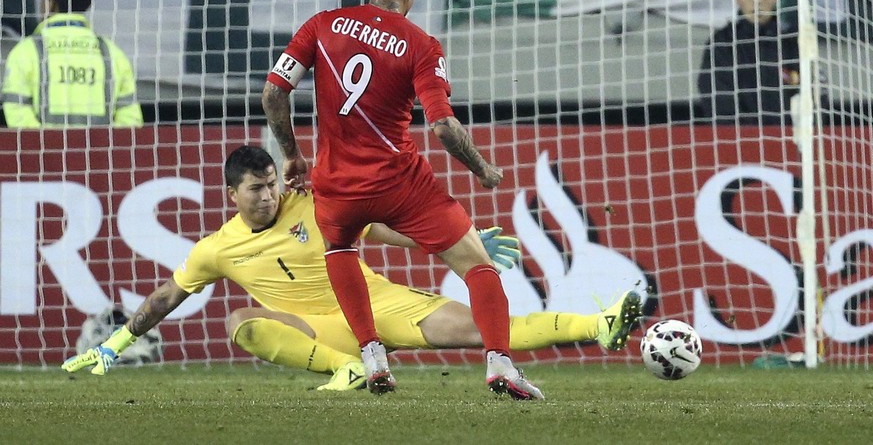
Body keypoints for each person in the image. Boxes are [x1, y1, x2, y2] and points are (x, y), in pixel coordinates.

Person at [61, 145, 643, 392]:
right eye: (255, 190)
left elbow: (377, 224)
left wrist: (449, 239)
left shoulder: (311, 200)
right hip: (322, 329)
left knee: (488, 332)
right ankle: (353, 370)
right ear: (230, 194)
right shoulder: (218, 248)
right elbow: (167, 296)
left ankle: (602, 324)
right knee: (241, 321)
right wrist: (114, 345)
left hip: (378, 303)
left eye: (271, 185)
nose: (267, 196)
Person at [262, 0, 547, 399]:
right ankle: (499, 364)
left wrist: (291, 155)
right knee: (478, 265)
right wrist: (482, 169)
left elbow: (274, 93)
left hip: (336, 186)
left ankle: (372, 354)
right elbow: (443, 128)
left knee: (340, 249)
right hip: (400, 184)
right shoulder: (422, 45)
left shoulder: (320, 25)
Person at [1, 0, 143, 128]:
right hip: (101, 152)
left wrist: (46, 146)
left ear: (50, 2)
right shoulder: (112, 53)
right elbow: (130, 120)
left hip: (44, 151)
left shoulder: (26, 51)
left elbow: (16, 111)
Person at [697, 0, 800, 125]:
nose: (757, 1)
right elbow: (718, 101)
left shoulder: (793, 42)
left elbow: (814, 97)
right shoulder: (723, 43)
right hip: (739, 142)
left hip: (791, 141)